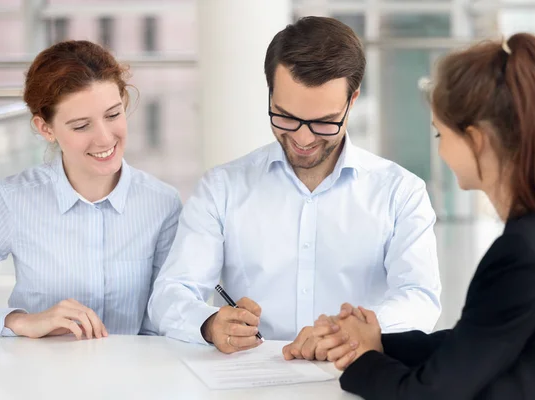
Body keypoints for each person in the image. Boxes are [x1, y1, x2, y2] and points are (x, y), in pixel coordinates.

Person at [315, 33, 535, 399]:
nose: (442, 150)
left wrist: (361, 358)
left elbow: (429, 394)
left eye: (440, 134)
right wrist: (378, 341)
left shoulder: (522, 253)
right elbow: (475, 342)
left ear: (476, 139)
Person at [148, 16, 441, 357]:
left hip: (354, 378)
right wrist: (210, 324)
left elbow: (420, 298)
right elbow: (171, 294)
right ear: (270, 93)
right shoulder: (222, 188)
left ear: (353, 100)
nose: (303, 138)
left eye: (323, 122)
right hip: (248, 383)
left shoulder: (400, 193)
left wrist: (352, 331)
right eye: (285, 116)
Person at [0, 40, 182, 339]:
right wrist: (20, 321)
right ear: (46, 129)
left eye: (113, 115)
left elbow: (166, 314)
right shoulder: (13, 199)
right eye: (81, 126)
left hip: (136, 378)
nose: (104, 138)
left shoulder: (161, 203)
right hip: (39, 378)